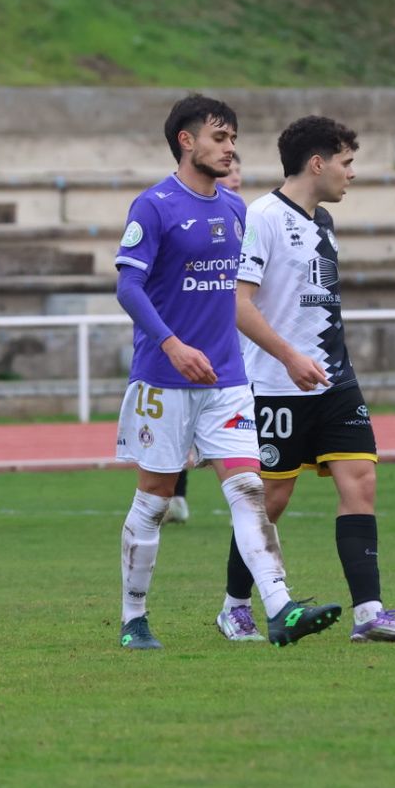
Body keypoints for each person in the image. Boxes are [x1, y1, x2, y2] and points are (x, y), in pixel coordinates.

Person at [112, 96, 340, 649]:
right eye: (219, 138)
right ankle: (134, 617)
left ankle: (280, 607)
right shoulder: (155, 206)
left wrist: (285, 353)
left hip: (228, 382)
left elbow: (242, 297)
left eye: (233, 139)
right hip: (164, 379)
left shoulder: (236, 210)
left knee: (248, 490)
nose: (230, 148)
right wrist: (171, 345)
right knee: (155, 500)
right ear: (186, 141)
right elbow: (128, 286)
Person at [211, 116, 395, 643]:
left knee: (361, 482)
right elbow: (238, 305)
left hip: (335, 381)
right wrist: (290, 357)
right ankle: (235, 607)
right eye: (346, 162)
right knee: (271, 500)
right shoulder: (262, 216)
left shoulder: (324, 221)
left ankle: (369, 613)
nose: (351, 173)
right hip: (276, 384)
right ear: (318, 163)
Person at [165, 151, 244, 525]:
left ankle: (244, 503)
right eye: (231, 170)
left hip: (235, 350)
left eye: (239, 170)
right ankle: (175, 495)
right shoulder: (167, 208)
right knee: (177, 435)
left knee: (245, 477)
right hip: (185, 348)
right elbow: (132, 286)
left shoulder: (241, 212)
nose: (235, 176)